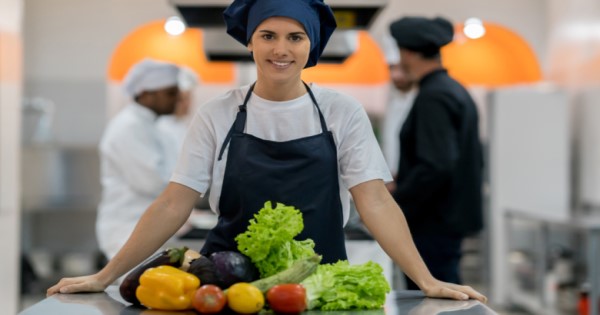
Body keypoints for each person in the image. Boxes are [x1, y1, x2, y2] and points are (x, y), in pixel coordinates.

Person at [48, 0, 486, 303]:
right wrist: (105, 276)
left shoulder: (340, 111)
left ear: (311, 46)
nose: (281, 49)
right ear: (250, 41)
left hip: (314, 285)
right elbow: (172, 203)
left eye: (295, 37)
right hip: (226, 284)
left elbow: (373, 199)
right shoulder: (217, 113)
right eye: (268, 35)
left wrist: (426, 279)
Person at [388, 16, 484, 290]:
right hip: (446, 218)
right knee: (446, 291)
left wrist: (398, 195)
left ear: (408, 53)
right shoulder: (452, 89)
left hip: (433, 222)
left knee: (435, 297)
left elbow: (437, 164)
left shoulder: (434, 96)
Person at [95, 58, 181, 259]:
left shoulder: (151, 126)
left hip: (145, 228)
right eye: (170, 93)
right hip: (127, 230)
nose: (177, 99)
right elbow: (151, 182)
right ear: (145, 94)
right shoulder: (129, 127)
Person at [380, 33, 417, 192]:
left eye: (401, 68)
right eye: (391, 68)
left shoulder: (428, 99)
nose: (396, 75)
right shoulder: (392, 98)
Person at [157, 66, 199, 152]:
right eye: (181, 99)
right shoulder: (161, 128)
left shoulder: (183, 125)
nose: (186, 104)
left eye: (188, 98)